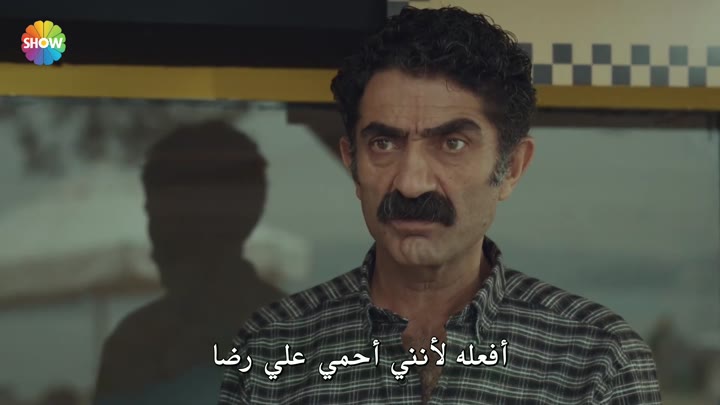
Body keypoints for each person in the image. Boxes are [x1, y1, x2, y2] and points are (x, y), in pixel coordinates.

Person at [218, 6, 661, 404]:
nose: (412, 184)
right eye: (384, 143)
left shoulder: (596, 362)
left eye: (452, 144)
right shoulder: (273, 350)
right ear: (352, 162)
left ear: (510, 168)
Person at [94, 121, 284, 404]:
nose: (156, 243)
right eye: (156, 217)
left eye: (169, 219)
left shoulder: (134, 344)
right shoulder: (133, 344)